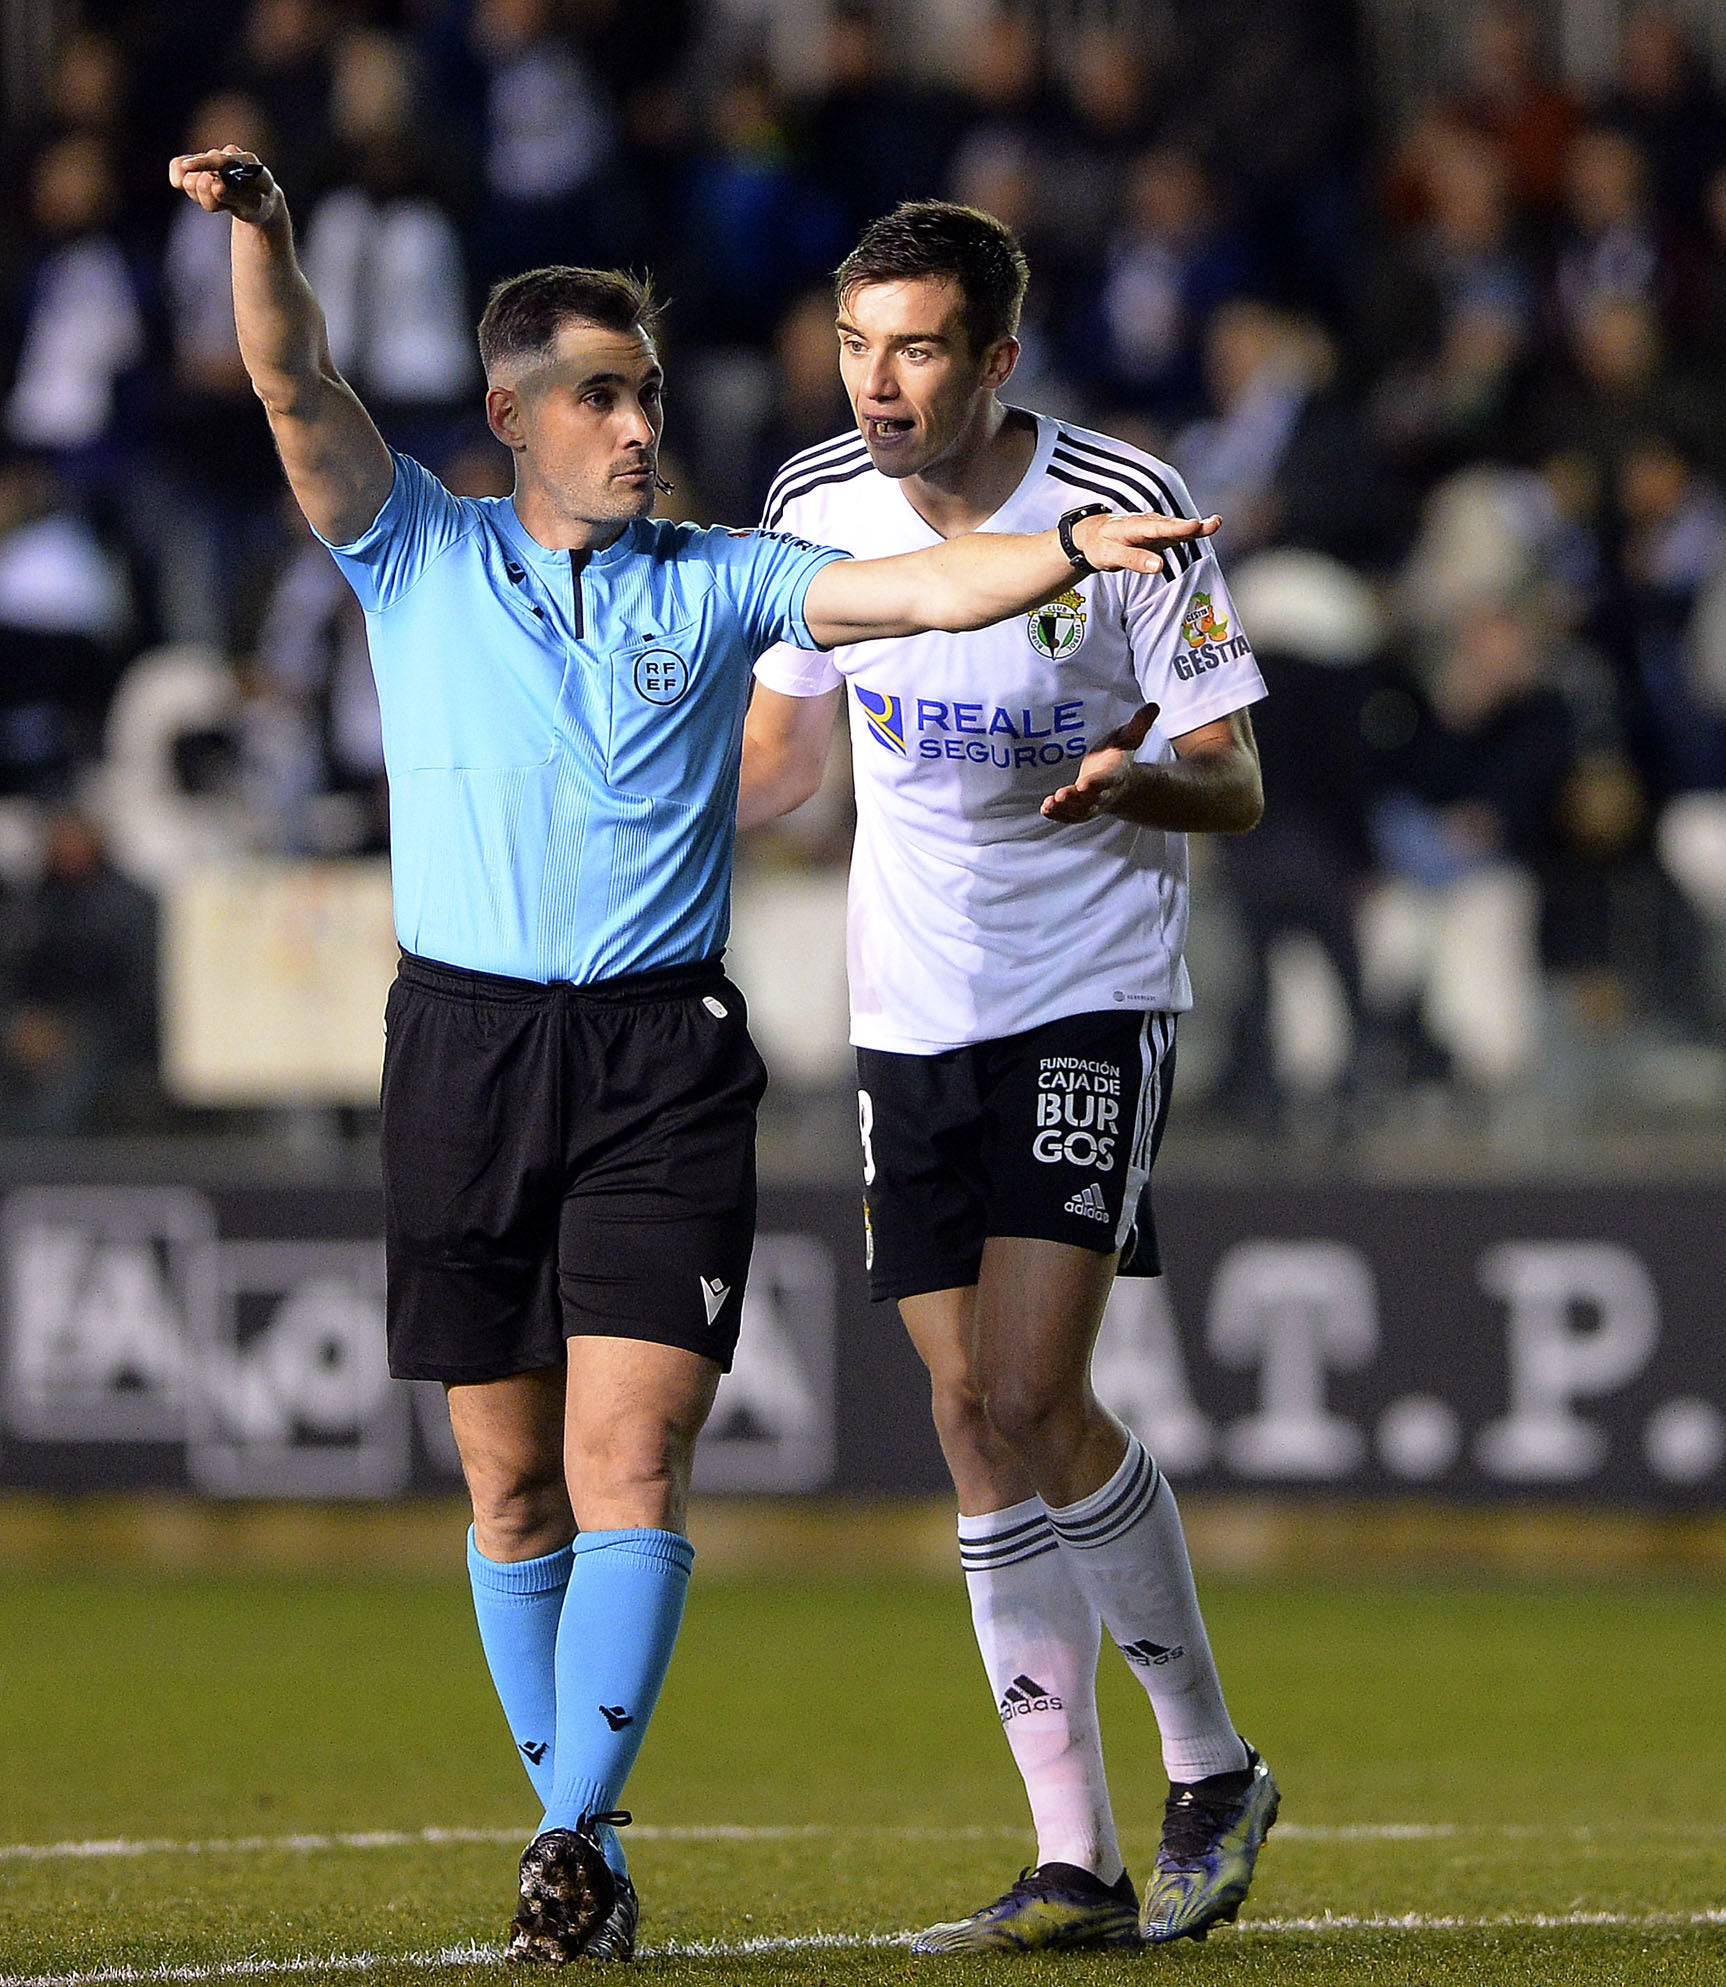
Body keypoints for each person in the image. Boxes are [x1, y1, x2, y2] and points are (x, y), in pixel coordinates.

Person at [167, 146, 1212, 1965]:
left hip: (662, 1059)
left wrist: (1064, 552)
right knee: (504, 1483)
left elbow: (921, 591)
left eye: (648, 389)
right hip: (463, 1051)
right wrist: (265, 235)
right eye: (598, 394)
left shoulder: (717, 578)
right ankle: (572, 1837)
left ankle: (572, 1838)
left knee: (628, 1462)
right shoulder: (415, 546)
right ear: (509, 416)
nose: (641, 422)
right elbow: (290, 385)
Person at [736, 201, 1275, 1954]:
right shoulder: (812, 504)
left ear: (995, 359)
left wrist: (1138, 789)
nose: (879, 385)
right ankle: (1074, 1861)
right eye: (856, 346)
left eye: (915, 350)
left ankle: (1210, 1768)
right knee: (967, 1421)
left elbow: (1234, 780)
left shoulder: (1122, 504)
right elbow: (786, 751)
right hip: (909, 1009)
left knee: (1040, 1394)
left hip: (1088, 992)